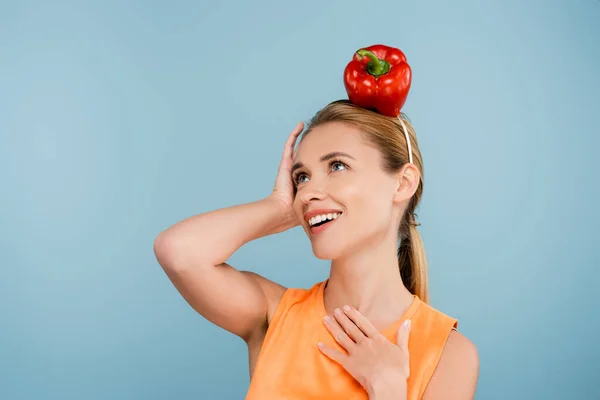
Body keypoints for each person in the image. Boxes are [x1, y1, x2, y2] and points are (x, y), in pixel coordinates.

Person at [153, 100, 480, 399]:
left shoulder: (449, 353)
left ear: (403, 182)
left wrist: (389, 391)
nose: (308, 192)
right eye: (302, 177)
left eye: (337, 166)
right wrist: (280, 206)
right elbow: (178, 251)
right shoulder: (273, 315)